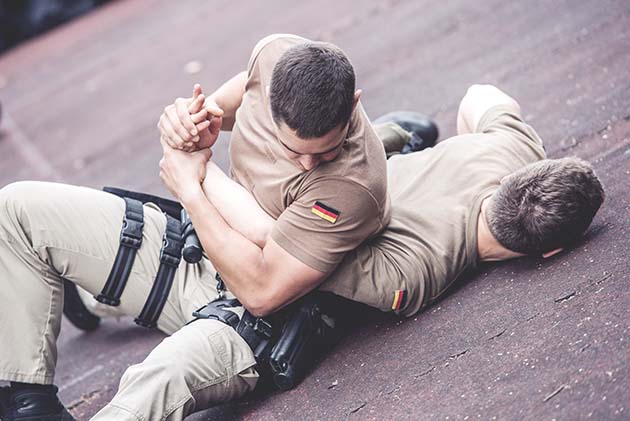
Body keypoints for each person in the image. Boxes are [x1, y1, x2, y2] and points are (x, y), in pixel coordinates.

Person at [0, 34, 434, 420]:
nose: (306, 164)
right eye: (293, 148)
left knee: (150, 383)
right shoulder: (273, 58)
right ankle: (30, 404)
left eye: (324, 152)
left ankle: (87, 295)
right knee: (16, 207)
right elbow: (217, 112)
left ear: (355, 104)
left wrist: (192, 185)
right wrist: (185, 123)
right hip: (197, 251)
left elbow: (263, 292)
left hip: (250, 320)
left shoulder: (354, 187)